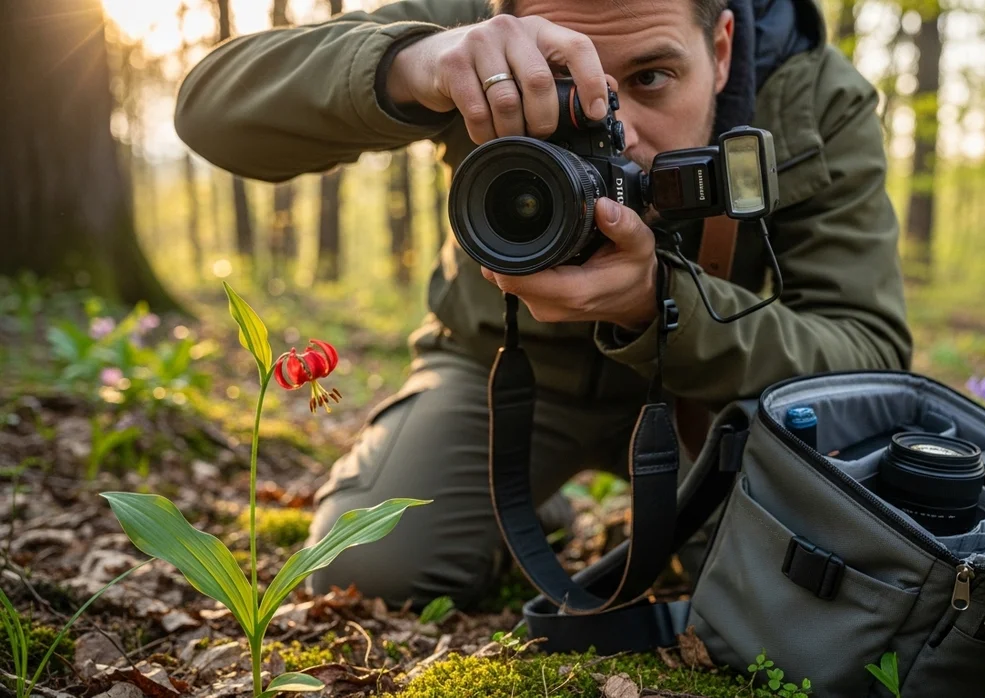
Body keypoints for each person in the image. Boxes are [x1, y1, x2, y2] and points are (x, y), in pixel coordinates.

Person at [175, 0, 912, 611]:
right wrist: (414, 66)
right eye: (563, 86)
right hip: (496, 365)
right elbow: (210, 112)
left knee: (773, 597)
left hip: (708, 392)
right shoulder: (469, 33)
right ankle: (522, 494)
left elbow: (870, 350)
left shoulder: (812, 95)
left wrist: (665, 304)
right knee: (371, 570)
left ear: (722, 50)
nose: (617, 131)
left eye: (652, 78)